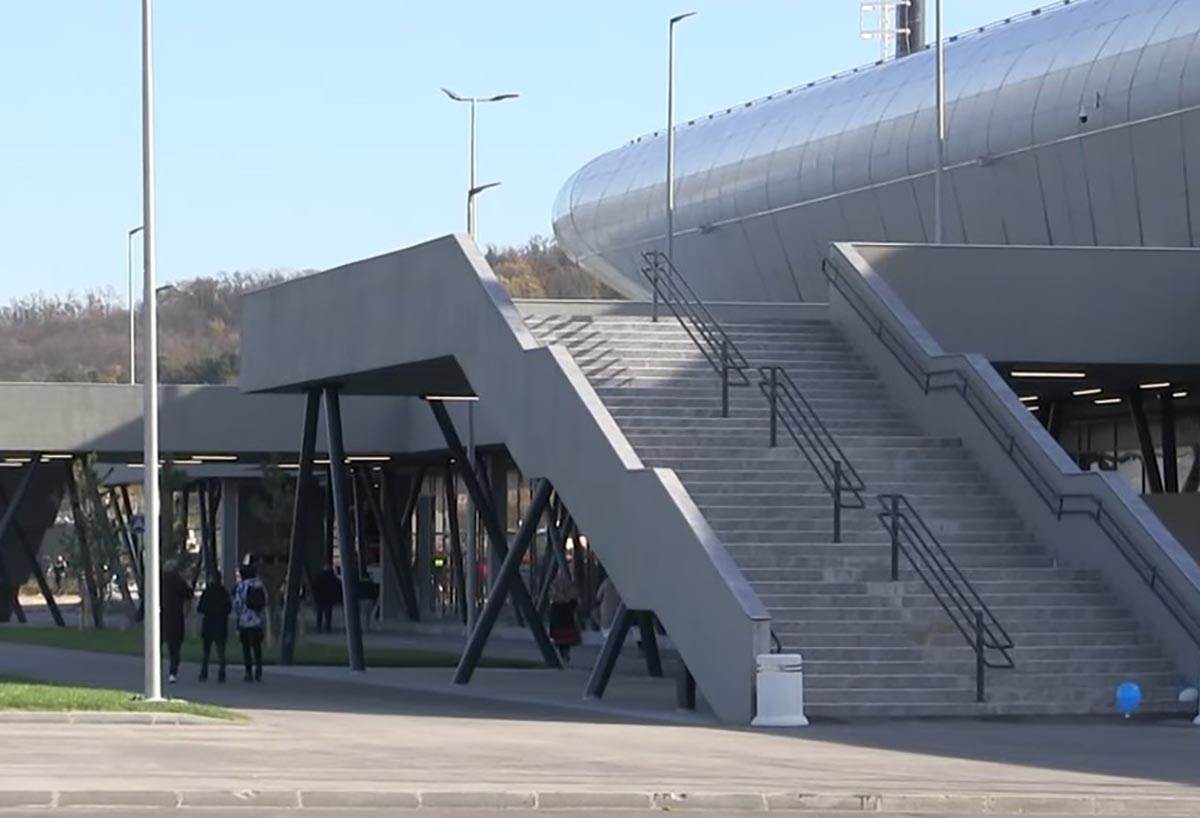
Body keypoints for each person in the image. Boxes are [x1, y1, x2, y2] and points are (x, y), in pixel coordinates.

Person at [233, 560, 267, 682]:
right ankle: (259, 671)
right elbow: (264, 602)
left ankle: (248, 673)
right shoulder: (259, 584)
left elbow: (237, 604)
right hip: (257, 621)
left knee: (246, 649)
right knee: (257, 648)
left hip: (244, 621)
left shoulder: (241, 586)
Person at [161, 562, 194, 685]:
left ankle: (155, 670)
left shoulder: (158, 582)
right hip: (175, 618)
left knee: (157, 645)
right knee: (175, 649)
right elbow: (189, 594)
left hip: (160, 617)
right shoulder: (178, 582)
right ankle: (172, 673)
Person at [196, 571, 232, 683]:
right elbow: (229, 608)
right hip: (221, 624)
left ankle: (204, 673)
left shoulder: (207, 592)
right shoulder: (223, 592)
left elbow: (200, 608)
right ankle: (222, 674)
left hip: (208, 624)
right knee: (221, 651)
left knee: (206, 651)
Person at [547, 574, 581, 664]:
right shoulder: (570, 604)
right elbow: (576, 599)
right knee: (566, 642)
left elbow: (552, 619)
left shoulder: (554, 606)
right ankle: (565, 654)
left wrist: (551, 632)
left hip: (558, 631)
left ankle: (564, 654)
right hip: (569, 630)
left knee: (562, 643)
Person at [312, 564, 340, 634]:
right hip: (329, 597)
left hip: (320, 597)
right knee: (328, 613)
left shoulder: (319, 576)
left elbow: (315, 586)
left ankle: (319, 627)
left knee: (319, 613)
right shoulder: (333, 577)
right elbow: (337, 586)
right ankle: (328, 627)